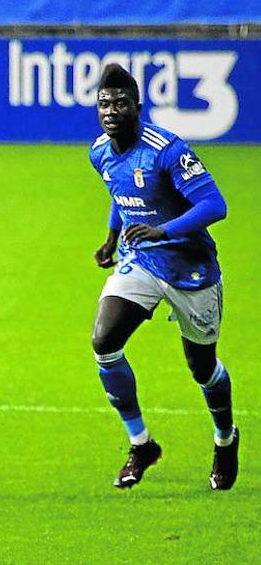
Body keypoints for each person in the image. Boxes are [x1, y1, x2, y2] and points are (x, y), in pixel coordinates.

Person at [89, 63, 236, 490]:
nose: (111, 110)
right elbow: (121, 191)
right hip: (141, 260)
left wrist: (164, 230)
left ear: (138, 106)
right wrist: (112, 237)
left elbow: (215, 205)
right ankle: (141, 443)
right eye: (104, 104)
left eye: (120, 103)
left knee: (202, 367)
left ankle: (225, 439)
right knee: (104, 341)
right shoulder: (99, 150)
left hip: (191, 267)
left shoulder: (167, 149)